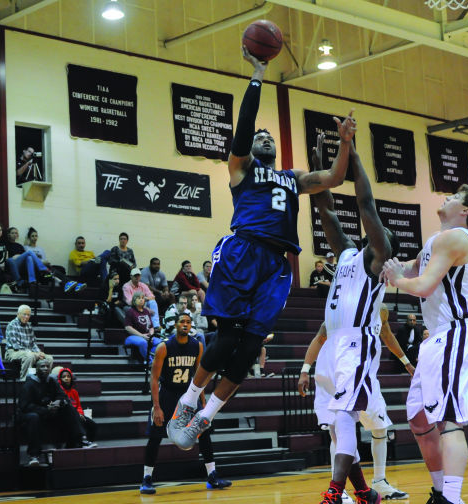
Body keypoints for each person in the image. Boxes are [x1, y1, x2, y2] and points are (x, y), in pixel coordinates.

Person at [169, 48, 355, 454]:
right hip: (241, 252)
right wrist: (257, 75)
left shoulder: (294, 178)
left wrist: (345, 144)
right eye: (260, 137)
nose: (265, 136)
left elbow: (336, 177)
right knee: (224, 341)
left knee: (251, 347)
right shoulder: (241, 169)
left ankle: (207, 415)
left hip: (277, 265)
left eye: (270, 136)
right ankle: (187, 401)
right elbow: (243, 128)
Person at [294, 132, 397, 504]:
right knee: (338, 424)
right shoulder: (349, 254)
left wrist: (349, 150)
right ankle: (366, 493)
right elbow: (325, 209)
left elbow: (365, 203)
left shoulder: (377, 259)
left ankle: (335, 492)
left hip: (356, 342)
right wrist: (325, 163)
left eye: (379, 232)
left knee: (346, 417)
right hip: (332, 346)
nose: (374, 231)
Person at [381, 184, 468, 504]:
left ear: (466, 210)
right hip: (438, 337)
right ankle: (440, 491)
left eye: (455, 196)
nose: (447, 197)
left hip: (458, 331)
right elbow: (412, 268)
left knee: (448, 419)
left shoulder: (457, 238)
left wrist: (397, 279)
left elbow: (423, 284)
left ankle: (452, 500)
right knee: (418, 418)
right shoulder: (435, 240)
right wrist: (382, 263)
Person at [299, 306, 413, 501]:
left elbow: (386, 335)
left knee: (379, 428)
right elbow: (319, 338)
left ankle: (378, 482)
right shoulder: (343, 309)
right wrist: (305, 369)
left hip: (366, 375)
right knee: (338, 430)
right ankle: (340, 490)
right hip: (339, 373)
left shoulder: (381, 309)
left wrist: (406, 362)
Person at [140, 312, 231, 494]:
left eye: (188, 322)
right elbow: (154, 379)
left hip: (188, 395)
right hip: (167, 394)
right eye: (182, 321)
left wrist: (203, 403)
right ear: (176, 325)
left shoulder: (197, 346)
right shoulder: (164, 347)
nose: (185, 324)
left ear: (191, 326)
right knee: (156, 435)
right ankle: (146, 479)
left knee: (203, 431)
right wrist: (156, 407)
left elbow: (200, 377)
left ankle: (212, 475)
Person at [18, 358, 92, 466]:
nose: (45, 369)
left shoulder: (52, 380)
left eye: (47, 367)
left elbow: (62, 396)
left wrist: (57, 403)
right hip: (32, 413)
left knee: (69, 407)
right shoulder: (29, 385)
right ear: (36, 369)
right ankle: (34, 455)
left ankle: (81, 439)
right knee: (33, 417)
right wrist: (46, 410)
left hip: (49, 411)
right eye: (42, 366)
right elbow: (25, 406)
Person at [5, 304, 53, 381]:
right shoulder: (12, 325)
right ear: (18, 314)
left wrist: (39, 352)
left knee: (49, 358)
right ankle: (24, 380)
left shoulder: (29, 326)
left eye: (28, 315)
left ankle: (44, 379)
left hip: (29, 352)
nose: (27, 317)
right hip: (13, 352)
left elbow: (33, 343)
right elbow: (16, 346)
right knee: (30, 356)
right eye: (24, 314)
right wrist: (33, 353)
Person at [57, 367, 98, 445]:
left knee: (93, 425)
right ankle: (83, 441)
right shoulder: (59, 391)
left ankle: (90, 443)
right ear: (60, 379)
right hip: (67, 415)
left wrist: (80, 414)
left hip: (78, 414)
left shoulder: (74, 392)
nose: (66, 378)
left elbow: (78, 405)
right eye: (64, 377)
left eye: (68, 376)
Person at [124, 291, 162, 363]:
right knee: (143, 342)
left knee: (160, 342)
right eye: (138, 298)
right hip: (132, 336)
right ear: (134, 300)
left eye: (142, 298)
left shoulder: (146, 311)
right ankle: (150, 361)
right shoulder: (130, 311)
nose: (141, 300)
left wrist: (151, 335)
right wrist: (142, 335)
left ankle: (151, 358)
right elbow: (128, 328)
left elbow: (151, 327)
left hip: (146, 336)